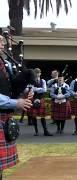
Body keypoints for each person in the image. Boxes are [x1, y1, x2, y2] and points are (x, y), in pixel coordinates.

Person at [0, 35, 33, 179]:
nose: (3, 43)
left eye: (3, 40)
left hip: (4, 117)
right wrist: (16, 103)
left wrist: (24, 83)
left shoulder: (4, 63)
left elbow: (10, 87)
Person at [28, 68, 52, 136]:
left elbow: (44, 90)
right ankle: (36, 132)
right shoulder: (31, 81)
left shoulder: (43, 81)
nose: (37, 74)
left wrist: (35, 89)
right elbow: (30, 90)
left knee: (42, 116)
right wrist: (38, 89)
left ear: (40, 73)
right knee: (34, 116)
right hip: (33, 99)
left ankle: (45, 131)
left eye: (38, 73)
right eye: (36, 73)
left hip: (41, 99)